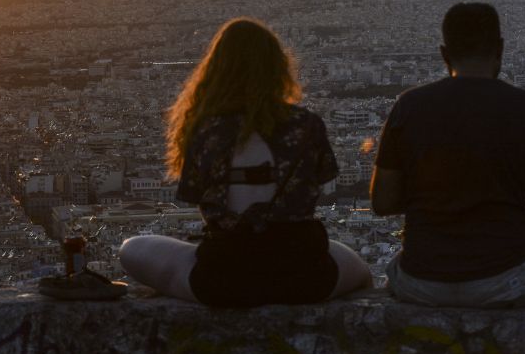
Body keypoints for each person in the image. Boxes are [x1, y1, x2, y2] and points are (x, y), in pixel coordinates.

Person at [120, 17, 372, 306]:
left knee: (131, 248)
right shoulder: (307, 125)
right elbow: (317, 184)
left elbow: (199, 200)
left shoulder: (205, 130)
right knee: (356, 264)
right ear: (277, 68)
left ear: (216, 71)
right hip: (305, 276)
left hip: (224, 279)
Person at [370, 2, 525, 307]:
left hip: (420, 281)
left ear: (444, 54)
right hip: (506, 279)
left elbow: (382, 202)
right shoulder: (523, 107)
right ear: (500, 49)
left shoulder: (409, 105)